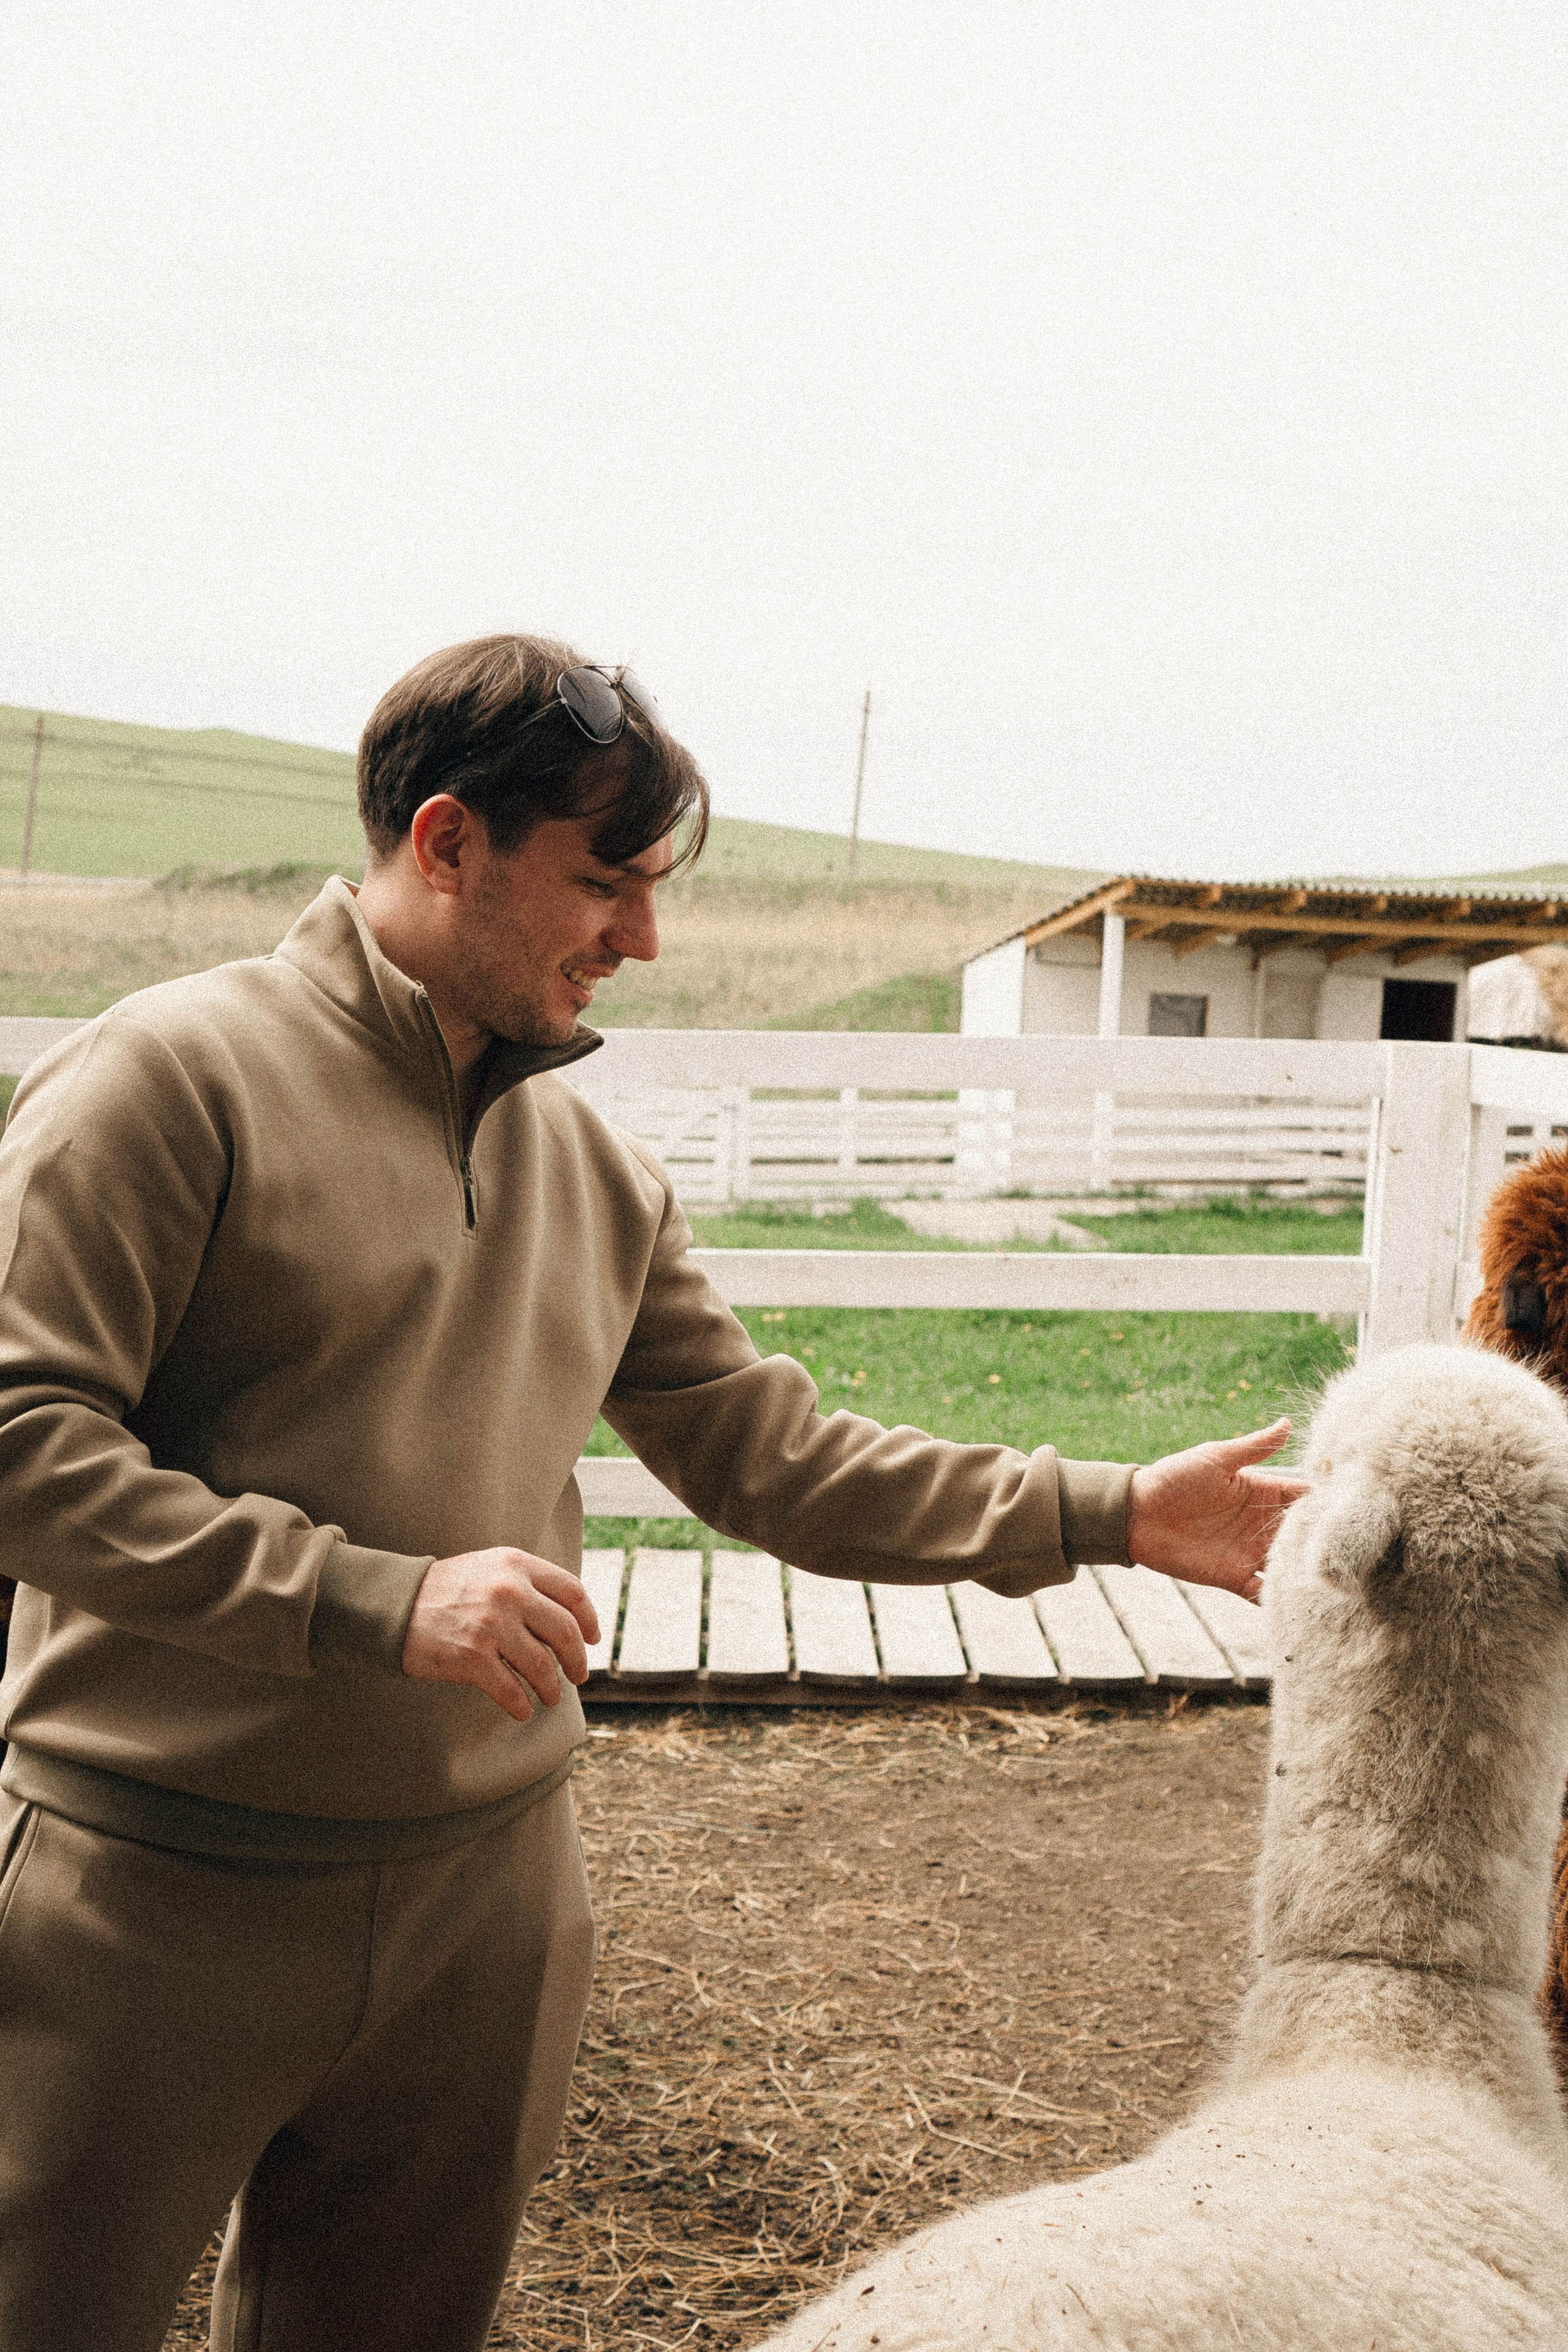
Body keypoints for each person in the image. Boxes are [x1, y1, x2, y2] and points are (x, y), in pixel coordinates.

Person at [0, 635, 1304, 2352]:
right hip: (153, 1885)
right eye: (603, 883)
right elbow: (25, 1438)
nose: (644, 939)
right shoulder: (166, 1080)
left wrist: (1109, 1510)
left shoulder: (595, 1169)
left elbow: (777, 1457)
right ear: (449, 840)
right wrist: (376, 1600)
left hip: (489, 1909)